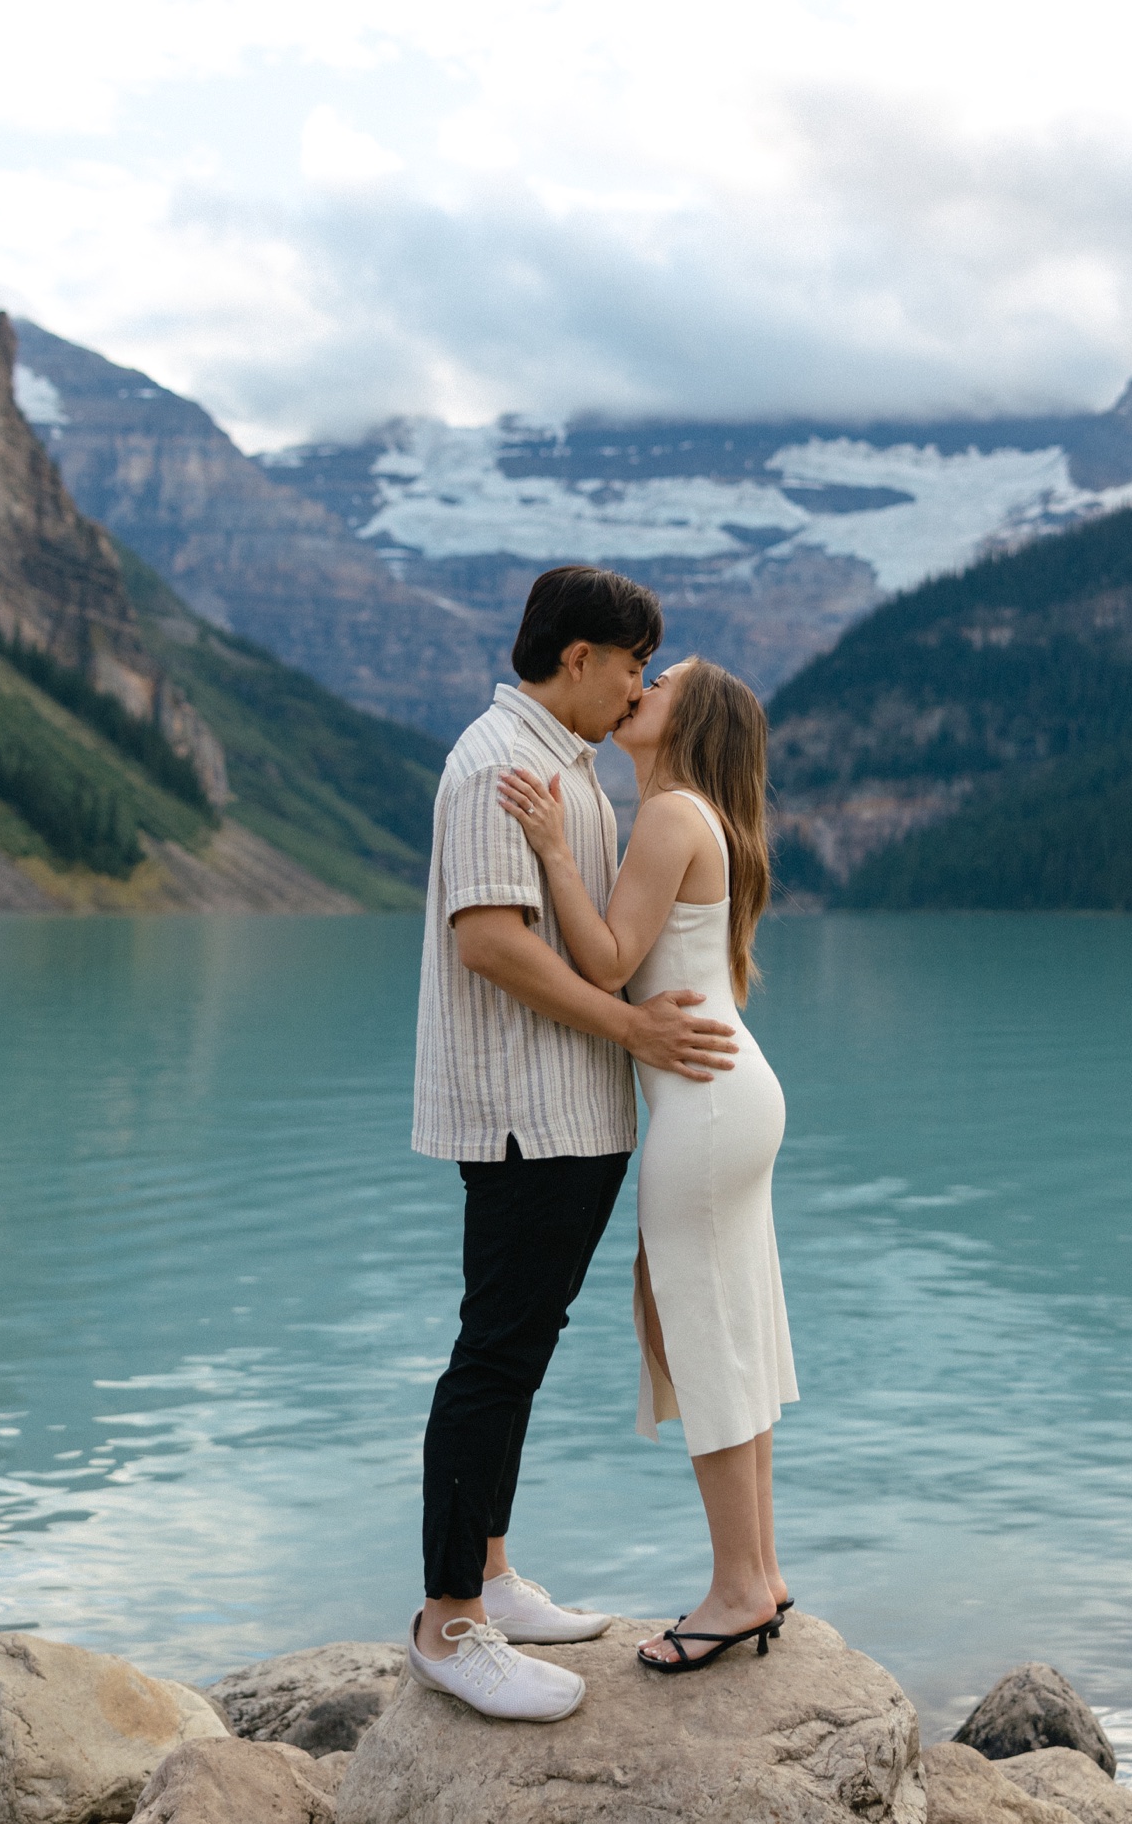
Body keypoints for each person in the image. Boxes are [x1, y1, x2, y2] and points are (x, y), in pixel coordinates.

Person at [408, 567, 741, 1723]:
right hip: (523, 1115)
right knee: (494, 1352)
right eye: (633, 663)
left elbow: (597, 935)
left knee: (523, 1344)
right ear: (582, 656)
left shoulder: (570, 767)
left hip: (574, 1117)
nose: (640, 684)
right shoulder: (495, 765)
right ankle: (449, 1621)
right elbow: (490, 943)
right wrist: (635, 1025)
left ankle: (491, 1574)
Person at [499, 656, 797, 1676]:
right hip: (726, 1090)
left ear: (692, 716)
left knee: (699, 1327)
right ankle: (757, 1569)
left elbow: (608, 962)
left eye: (662, 678)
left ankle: (736, 1587)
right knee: (719, 1322)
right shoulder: (692, 817)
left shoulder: (673, 814)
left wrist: (550, 852)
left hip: (705, 1100)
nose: (643, 682)